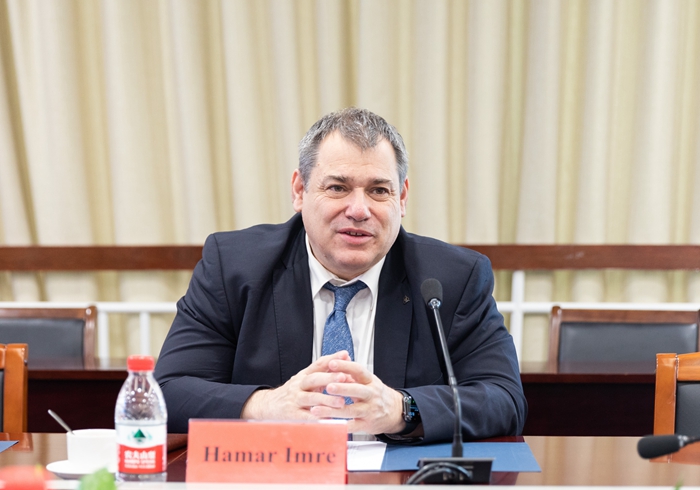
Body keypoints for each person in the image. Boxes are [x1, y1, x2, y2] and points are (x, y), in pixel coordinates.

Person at [154, 107, 527, 443]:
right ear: (300, 191)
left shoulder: (452, 279)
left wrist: (402, 409)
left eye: (378, 190)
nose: (359, 210)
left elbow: (505, 400)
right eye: (338, 187)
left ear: (401, 198)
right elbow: (168, 393)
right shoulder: (235, 267)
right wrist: (268, 405)